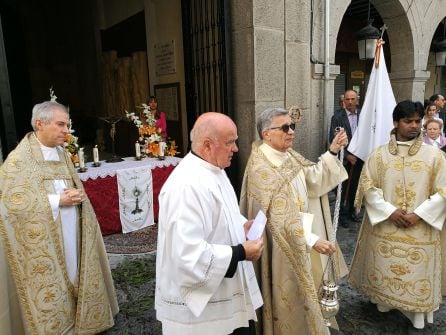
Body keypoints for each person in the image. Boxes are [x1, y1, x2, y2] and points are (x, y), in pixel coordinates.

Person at [0, 101, 118, 334]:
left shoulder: (62, 153)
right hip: (44, 238)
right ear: (39, 124)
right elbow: (9, 205)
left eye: (67, 125)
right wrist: (56, 202)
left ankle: (81, 318)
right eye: (61, 124)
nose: (66, 130)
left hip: (72, 228)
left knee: (76, 272)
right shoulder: (18, 160)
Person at [240, 107, 349, 335]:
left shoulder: (289, 155)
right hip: (282, 248)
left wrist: (331, 151)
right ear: (266, 134)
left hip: (302, 237)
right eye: (285, 128)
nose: (291, 132)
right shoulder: (261, 169)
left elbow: (312, 180)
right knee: (288, 299)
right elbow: (277, 220)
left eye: (293, 127)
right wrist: (312, 240)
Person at [155, 112, 264, 335]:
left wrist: (240, 226)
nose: (236, 149)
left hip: (224, 294)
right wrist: (240, 253)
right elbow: (188, 255)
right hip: (202, 316)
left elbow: (219, 215)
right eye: (230, 142)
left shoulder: (214, 170)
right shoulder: (186, 186)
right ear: (207, 145)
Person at [348, 100, 446, 331]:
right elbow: (367, 188)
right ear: (395, 122)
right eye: (408, 121)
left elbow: (444, 191)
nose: (414, 126)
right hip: (386, 226)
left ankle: (416, 315)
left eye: (417, 121)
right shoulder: (379, 155)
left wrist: (419, 214)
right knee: (384, 271)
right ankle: (383, 302)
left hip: (421, 229)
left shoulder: (435, 156)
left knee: (416, 276)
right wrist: (390, 211)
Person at [329, 89, 363, 224]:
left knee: (355, 186)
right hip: (344, 158)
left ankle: (352, 212)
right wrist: (347, 155)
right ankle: (341, 215)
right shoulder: (337, 117)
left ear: (357, 100)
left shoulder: (363, 115)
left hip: (360, 158)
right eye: (347, 99)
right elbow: (333, 137)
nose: (350, 102)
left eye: (352, 99)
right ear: (343, 101)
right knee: (342, 188)